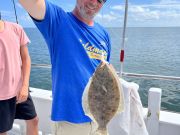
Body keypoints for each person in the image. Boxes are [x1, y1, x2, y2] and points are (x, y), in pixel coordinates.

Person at [19, 0, 111, 134]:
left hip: (100, 119)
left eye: (100, 0)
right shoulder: (57, 20)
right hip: (71, 121)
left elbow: (106, 73)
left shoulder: (104, 34)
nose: (94, 2)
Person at [0, 17, 38, 135]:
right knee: (2, 130)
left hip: (19, 89)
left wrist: (25, 86)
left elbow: (26, 58)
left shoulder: (16, 29)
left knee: (34, 120)